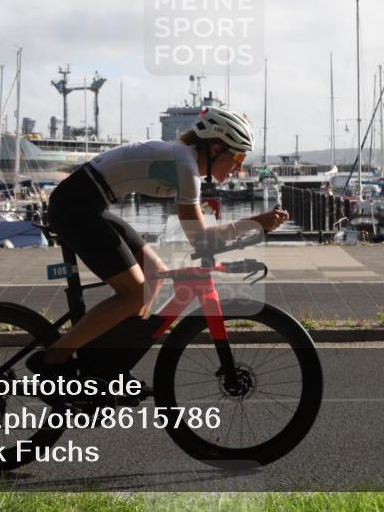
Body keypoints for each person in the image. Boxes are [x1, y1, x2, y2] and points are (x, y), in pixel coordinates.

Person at [29, 105, 289, 379]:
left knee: (155, 275)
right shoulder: (185, 166)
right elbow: (200, 239)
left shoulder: (184, 160)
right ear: (215, 149)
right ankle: (53, 360)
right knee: (134, 294)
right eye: (238, 156)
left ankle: (106, 363)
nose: (240, 167)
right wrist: (255, 223)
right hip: (74, 207)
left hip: (90, 204)